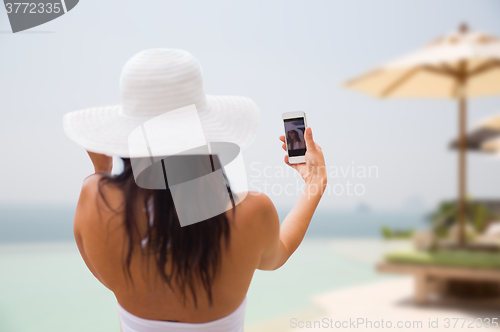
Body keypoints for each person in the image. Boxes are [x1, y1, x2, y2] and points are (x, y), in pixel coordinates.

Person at [64, 49, 327, 332]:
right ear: (203, 134)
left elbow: (107, 272)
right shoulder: (251, 212)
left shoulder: (94, 201)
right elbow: (279, 253)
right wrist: (315, 184)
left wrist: (102, 169)